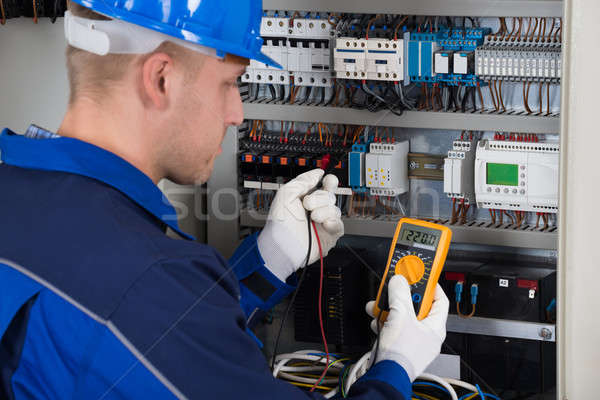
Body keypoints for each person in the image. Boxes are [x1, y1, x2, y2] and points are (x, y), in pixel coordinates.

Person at [0, 1, 449, 399]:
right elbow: (156, 322)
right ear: (161, 78)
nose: (237, 114)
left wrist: (269, 260)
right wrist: (395, 365)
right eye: (230, 83)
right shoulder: (147, 283)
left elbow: (172, 342)